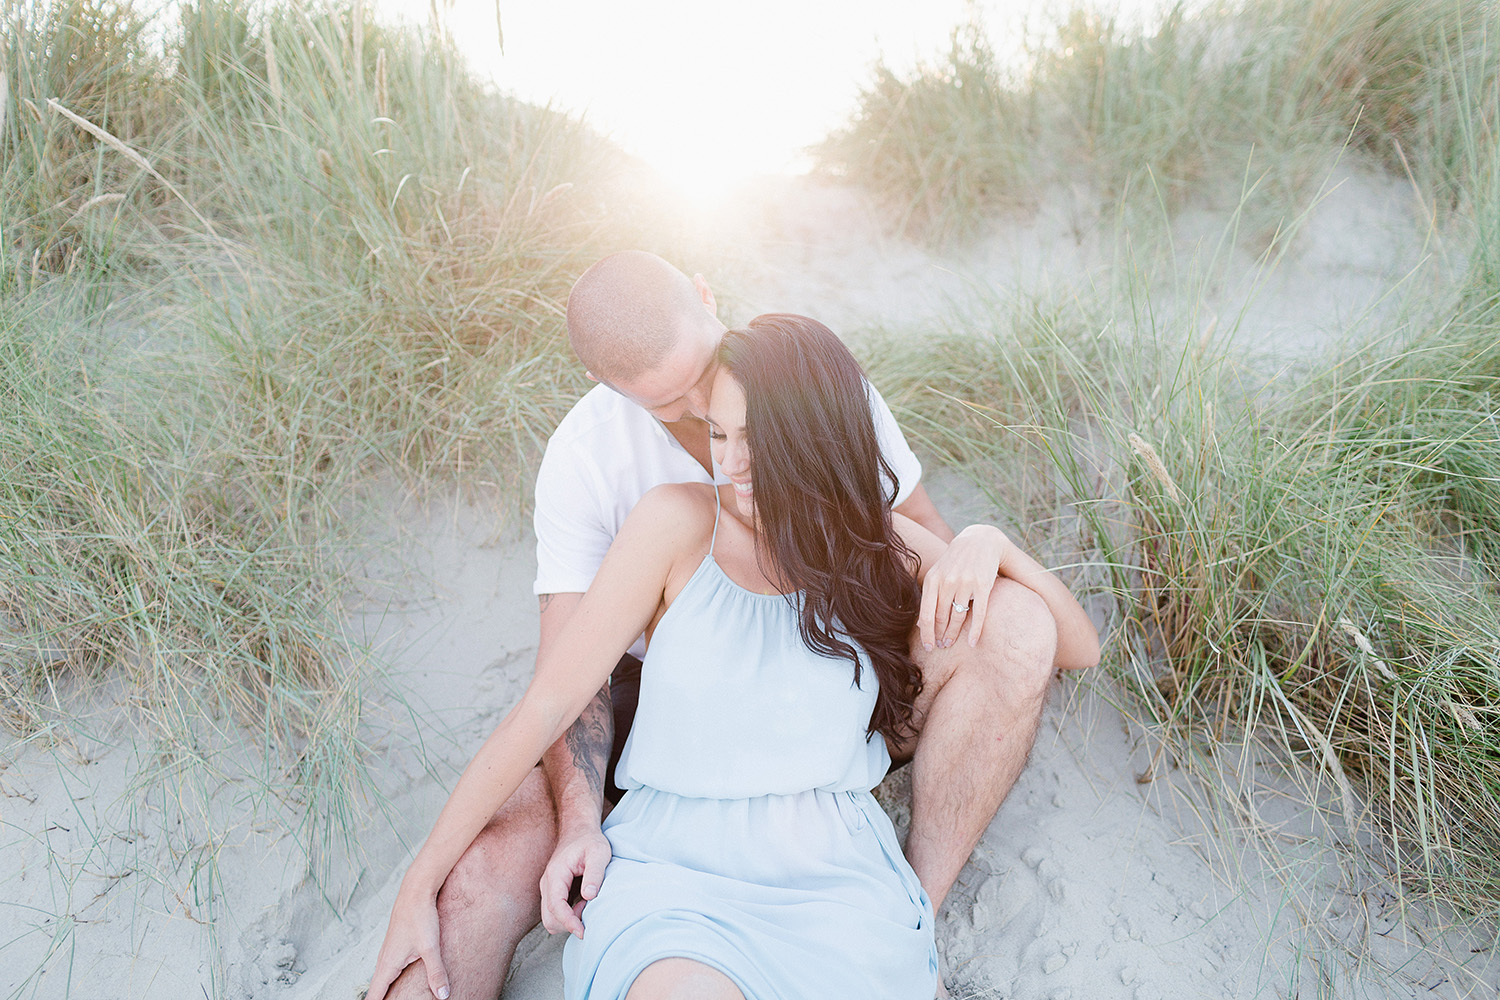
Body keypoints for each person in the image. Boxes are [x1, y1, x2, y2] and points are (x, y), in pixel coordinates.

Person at [368, 252, 1097, 1000]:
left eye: (710, 396)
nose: (715, 445)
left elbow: (1057, 637)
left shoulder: (826, 438)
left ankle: (909, 917)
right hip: (673, 820)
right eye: (709, 429)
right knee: (504, 870)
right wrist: (439, 873)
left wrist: (989, 543)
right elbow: (553, 698)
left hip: (827, 851)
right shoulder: (644, 498)